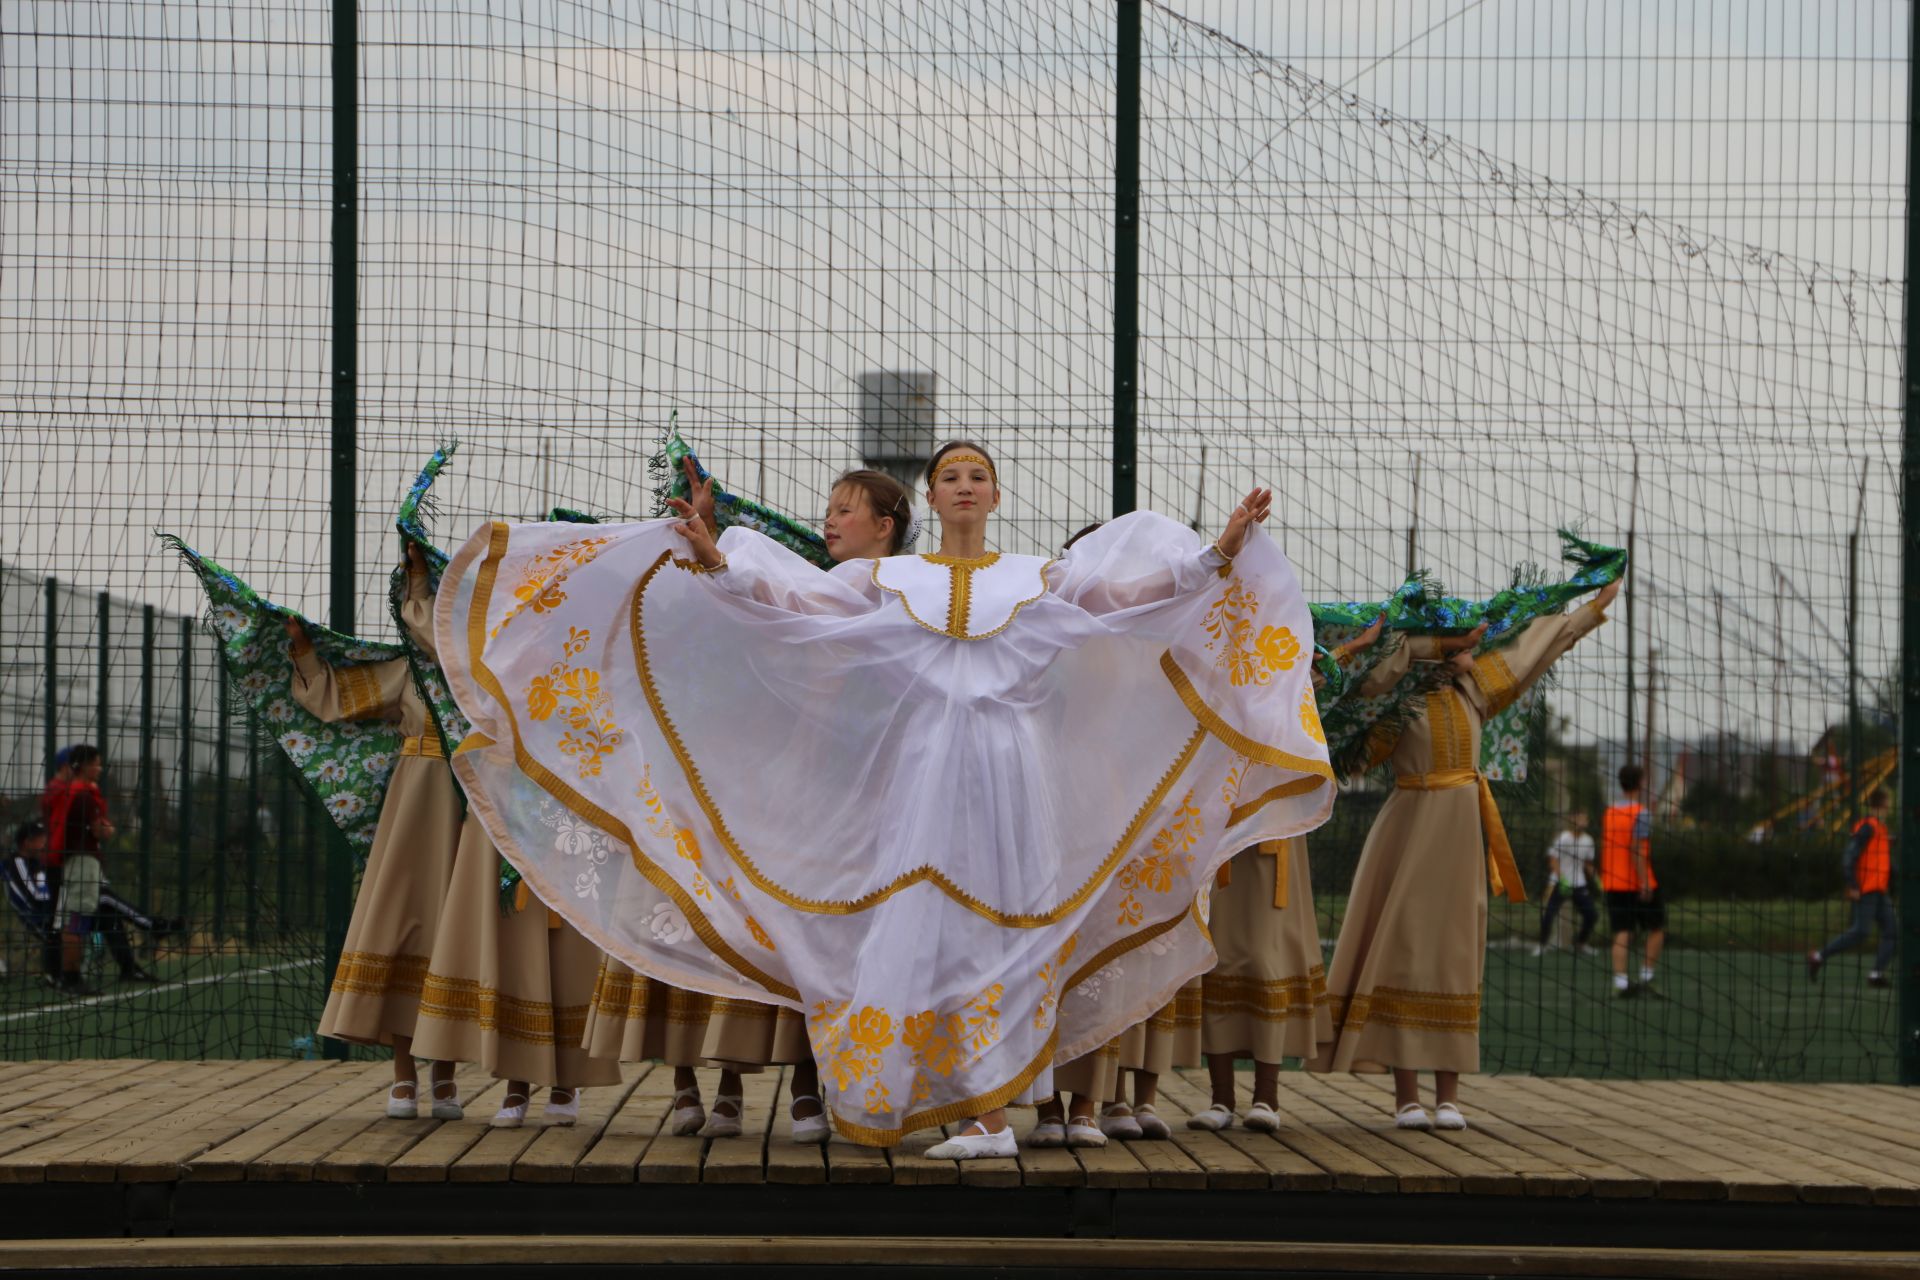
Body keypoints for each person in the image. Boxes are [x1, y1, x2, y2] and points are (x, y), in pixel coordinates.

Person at [435, 440, 1330, 1156]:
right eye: (951, 476)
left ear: (997, 495)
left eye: (979, 474)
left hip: (1008, 773)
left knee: (1005, 923)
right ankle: (911, 1092)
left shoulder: (1037, 580)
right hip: (922, 771)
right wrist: (716, 567)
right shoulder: (883, 581)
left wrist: (1220, 550)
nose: (966, 486)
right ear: (928, 501)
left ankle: (986, 1117)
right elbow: (792, 605)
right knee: (912, 921)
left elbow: (1131, 601)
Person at [667, 459, 916, 1143]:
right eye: (829, 508)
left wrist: (719, 556)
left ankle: (825, 1083)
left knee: (824, 922)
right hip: (852, 775)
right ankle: (823, 1084)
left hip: (856, 781)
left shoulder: (873, 582)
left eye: (844, 509)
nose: (829, 520)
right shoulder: (873, 583)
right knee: (837, 926)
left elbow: (792, 604)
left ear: (884, 526)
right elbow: (788, 609)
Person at [1314, 578, 1618, 1130]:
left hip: (1459, 836)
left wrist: (1591, 610)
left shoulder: (1479, 690)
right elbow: (1358, 687)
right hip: (1408, 831)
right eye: (1459, 639)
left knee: (1456, 952)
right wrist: (1426, 653)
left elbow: (1536, 648)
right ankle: (1407, 1096)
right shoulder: (1396, 695)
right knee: (1402, 948)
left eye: (1469, 641)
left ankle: (1447, 1095)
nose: (1471, 648)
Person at [1187, 617, 1384, 1134]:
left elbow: (1323, 671)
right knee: (1218, 957)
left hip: (1276, 843)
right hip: (1222, 842)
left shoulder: (1293, 689)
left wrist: (1359, 644)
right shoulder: (1214, 688)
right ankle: (1221, 1097)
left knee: (1270, 959)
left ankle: (1267, 1098)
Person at [285, 555, 462, 1118]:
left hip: (477, 811)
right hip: (414, 808)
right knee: (404, 925)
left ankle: (447, 1076)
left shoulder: (491, 667)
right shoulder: (408, 672)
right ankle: (406, 1076)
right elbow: (336, 697)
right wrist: (303, 652)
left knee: (457, 934)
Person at [1808, 787, 1897, 988]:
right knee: (1860, 932)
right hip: (1865, 890)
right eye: (1888, 805)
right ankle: (1818, 956)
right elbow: (1849, 856)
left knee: (1892, 931)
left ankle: (1875, 974)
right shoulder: (1867, 827)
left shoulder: (1881, 829)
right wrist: (1852, 884)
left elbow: (1883, 860)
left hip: (1879, 891)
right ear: (1882, 805)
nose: (1890, 809)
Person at [1600, 763, 1663, 996]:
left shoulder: (1609, 812)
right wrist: (1645, 882)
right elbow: (1636, 849)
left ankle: (1621, 982)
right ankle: (1646, 977)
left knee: (1622, 931)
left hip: (1613, 881)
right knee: (1656, 928)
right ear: (1641, 783)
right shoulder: (1641, 813)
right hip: (1636, 882)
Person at [1534, 809, 1599, 956]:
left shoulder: (1588, 841)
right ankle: (1542, 945)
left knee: (1592, 915)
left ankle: (1581, 944)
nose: (1583, 822)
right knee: (1548, 915)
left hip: (1579, 884)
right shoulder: (1563, 838)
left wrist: (1598, 880)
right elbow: (1553, 859)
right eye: (1580, 819)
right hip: (1558, 883)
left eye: (1585, 819)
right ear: (1573, 820)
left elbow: (1588, 863)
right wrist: (1562, 878)